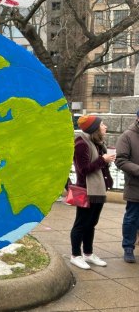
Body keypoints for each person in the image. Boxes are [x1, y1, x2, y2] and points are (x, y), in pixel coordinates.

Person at [69, 115, 114, 270]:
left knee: (91, 224)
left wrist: (105, 161)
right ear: (95, 128)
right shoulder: (81, 144)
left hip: (98, 190)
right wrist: (103, 160)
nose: (105, 127)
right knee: (81, 224)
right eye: (102, 125)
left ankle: (88, 253)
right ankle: (76, 255)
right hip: (86, 190)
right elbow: (83, 170)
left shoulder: (97, 143)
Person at [114, 109, 139, 263]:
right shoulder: (127, 136)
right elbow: (121, 160)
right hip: (135, 186)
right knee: (132, 218)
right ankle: (128, 247)